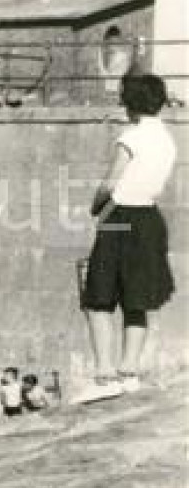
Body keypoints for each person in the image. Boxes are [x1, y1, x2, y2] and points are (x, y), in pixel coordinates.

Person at [73, 73, 177, 404]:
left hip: (120, 217)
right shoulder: (167, 139)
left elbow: (110, 182)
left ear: (129, 103)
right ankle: (129, 373)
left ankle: (104, 376)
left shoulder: (131, 136)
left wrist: (94, 205)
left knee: (97, 296)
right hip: (150, 220)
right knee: (138, 298)